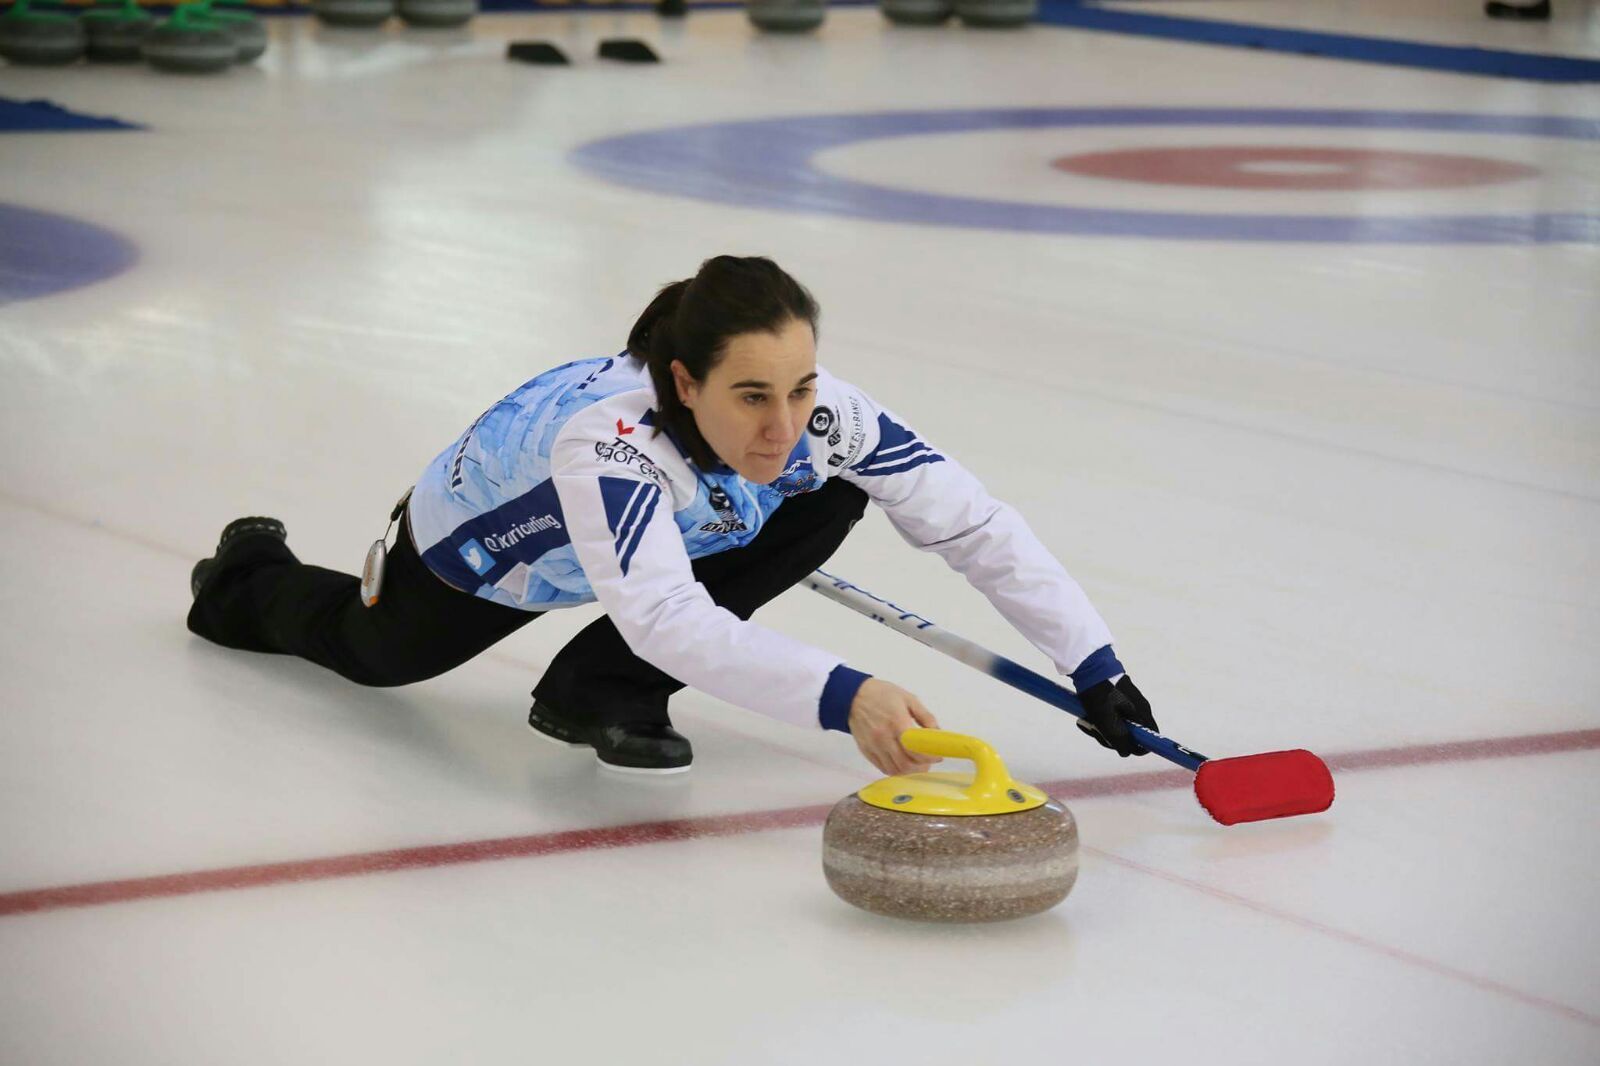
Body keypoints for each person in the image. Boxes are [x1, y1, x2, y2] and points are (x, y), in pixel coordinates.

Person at [187, 256, 1158, 776]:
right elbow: (668, 616)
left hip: (678, 518)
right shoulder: (604, 441)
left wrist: (1095, 663)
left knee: (833, 489)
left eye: (800, 385)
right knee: (375, 656)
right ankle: (246, 574)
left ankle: (597, 693)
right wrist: (846, 693)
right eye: (750, 396)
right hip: (500, 544)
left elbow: (974, 527)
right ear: (684, 381)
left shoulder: (826, 418)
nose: (783, 425)